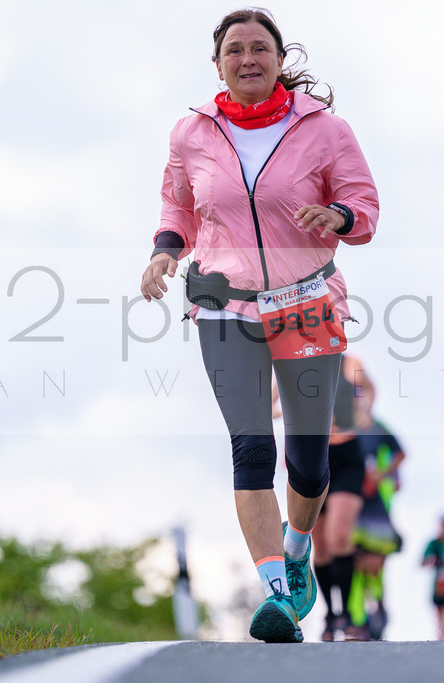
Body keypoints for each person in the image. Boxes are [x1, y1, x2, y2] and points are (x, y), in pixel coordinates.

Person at [139, 8, 379, 643]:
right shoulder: (192, 133)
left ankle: (297, 554)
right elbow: (177, 205)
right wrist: (165, 251)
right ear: (217, 63)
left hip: (305, 297)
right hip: (224, 303)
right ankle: (278, 596)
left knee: (308, 461)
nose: (248, 59)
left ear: (280, 59)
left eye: (260, 48)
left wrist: (338, 216)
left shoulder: (324, 129)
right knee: (251, 446)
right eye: (235, 50)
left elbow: (365, 205)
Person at [313, 353, 374, 641]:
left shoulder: (349, 362)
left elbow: (369, 388)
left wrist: (364, 408)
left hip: (347, 456)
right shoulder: (301, 359)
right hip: (312, 455)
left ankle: (348, 613)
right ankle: (330, 614)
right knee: (321, 546)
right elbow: (277, 394)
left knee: (339, 537)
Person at [346, 416, 406, 641]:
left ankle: (376, 608)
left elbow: (399, 453)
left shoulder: (378, 427)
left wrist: (384, 475)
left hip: (376, 507)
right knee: (354, 563)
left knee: (374, 566)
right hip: (352, 504)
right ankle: (358, 619)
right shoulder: (342, 426)